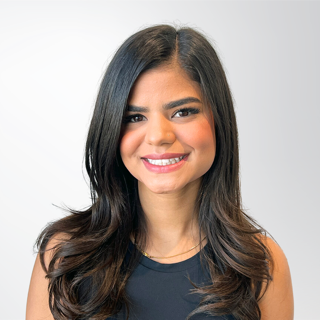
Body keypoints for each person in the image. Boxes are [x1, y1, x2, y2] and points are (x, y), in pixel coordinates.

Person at [26, 24, 294, 320]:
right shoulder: (65, 256)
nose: (158, 136)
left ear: (218, 118)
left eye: (182, 112)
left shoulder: (260, 265)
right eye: (134, 117)